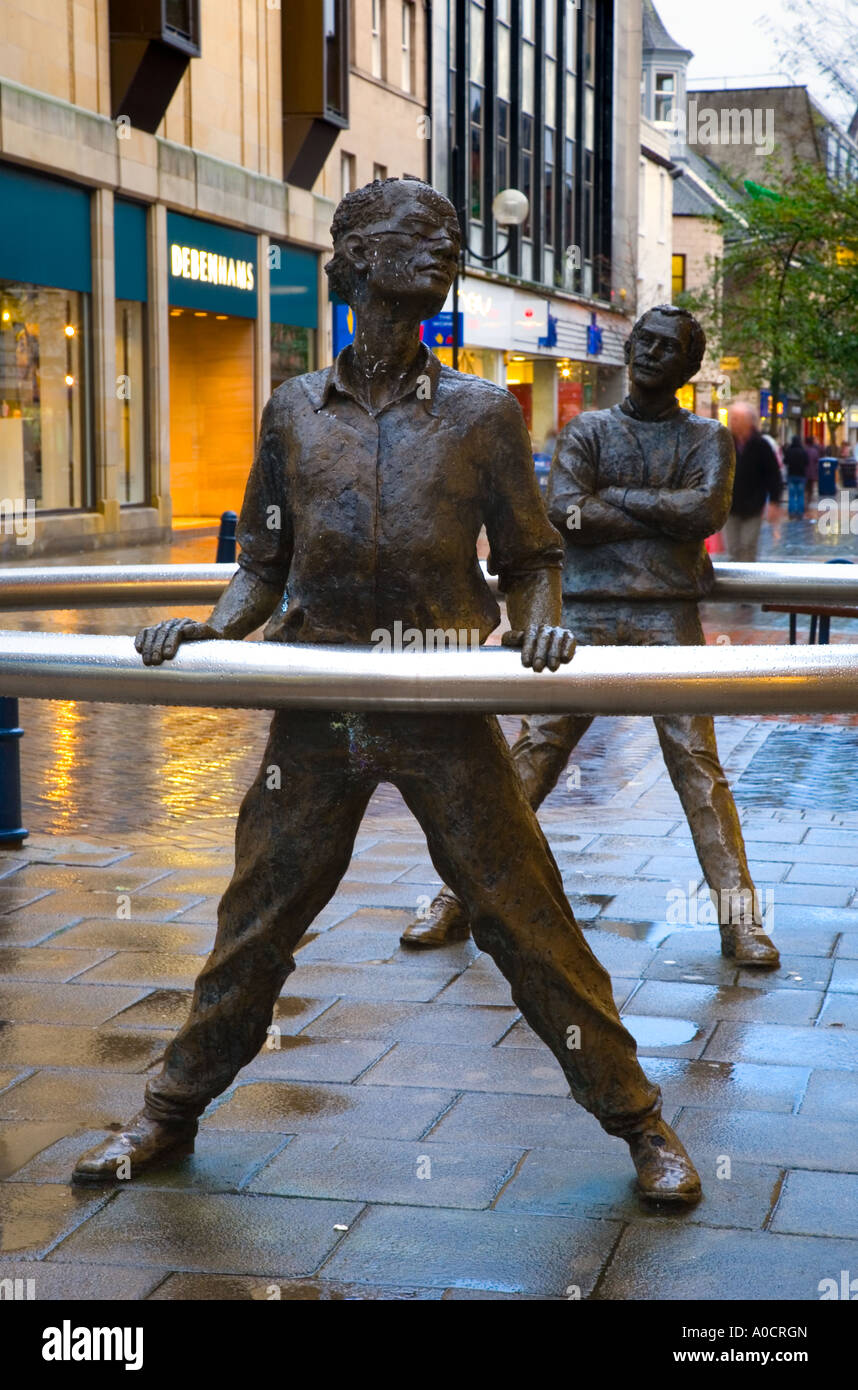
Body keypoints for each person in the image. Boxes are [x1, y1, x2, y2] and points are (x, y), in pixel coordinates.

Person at [71, 180, 701, 1205]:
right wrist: (211, 625)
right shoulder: (289, 412)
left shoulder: (482, 414)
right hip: (319, 711)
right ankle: (166, 1112)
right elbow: (261, 567)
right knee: (257, 920)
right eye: (419, 234)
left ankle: (639, 1121)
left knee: (523, 916)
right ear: (355, 257)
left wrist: (543, 614)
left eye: (449, 238)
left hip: (439, 710)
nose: (444, 247)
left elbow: (532, 554)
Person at [402, 305, 779, 972]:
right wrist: (661, 518)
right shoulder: (587, 431)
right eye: (646, 342)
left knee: (698, 765)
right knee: (534, 755)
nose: (653, 355)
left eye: (669, 348)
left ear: (689, 367)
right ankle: (453, 897)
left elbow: (706, 512)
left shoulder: (708, 438)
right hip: (582, 613)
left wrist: (618, 502)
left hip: (668, 614)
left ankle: (741, 922)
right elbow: (566, 513)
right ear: (631, 349)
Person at [723, 403, 782, 560]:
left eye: (736, 419)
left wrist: (774, 502)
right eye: (731, 418)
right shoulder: (726, 443)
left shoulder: (761, 445)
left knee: (748, 546)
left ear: (748, 421)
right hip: (730, 506)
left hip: (753, 506)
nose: (732, 422)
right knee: (733, 548)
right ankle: (734, 583)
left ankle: (747, 583)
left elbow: (773, 474)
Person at [783, 434, 809, 517]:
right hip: (801, 475)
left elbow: (785, 461)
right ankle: (800, 512)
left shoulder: (789, 451)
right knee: (800, 495)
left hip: (791, 475)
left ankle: (791, 512)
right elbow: (806, 462)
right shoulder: (803, 451)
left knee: (791, 495)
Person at [805, 436, 820, 503]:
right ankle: (809, 498)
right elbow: (817, 461)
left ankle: (806, 497)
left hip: (805, 471)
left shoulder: (805, 450)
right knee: (811, 486)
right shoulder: (814, 451)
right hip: (812, 472)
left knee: (806, 486)